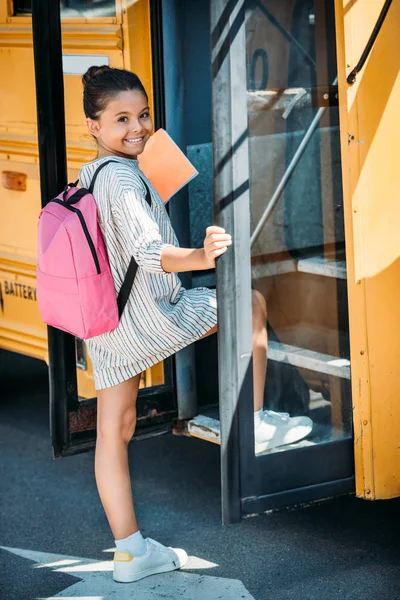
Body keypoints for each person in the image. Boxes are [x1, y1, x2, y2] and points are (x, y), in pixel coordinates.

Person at [79, 65, 312, 584]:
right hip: (153, 315)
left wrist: (153, 173)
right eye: (121, 119)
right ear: (94, 125)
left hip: (108, 322)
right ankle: (255, 423)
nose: (137, 127)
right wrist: (201, 254)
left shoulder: (92, 172)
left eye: (142, 114)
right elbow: (146, 251)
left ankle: (130, 552)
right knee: (248, 303)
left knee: (113, 432)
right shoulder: (120, 178)